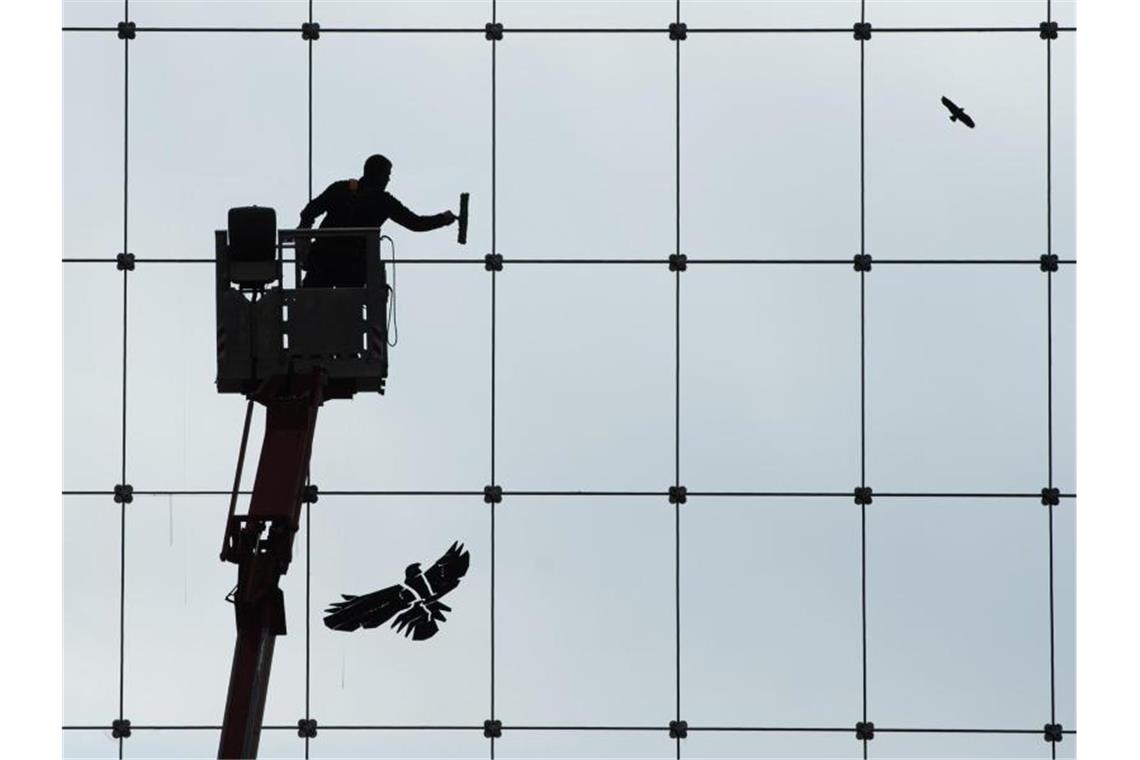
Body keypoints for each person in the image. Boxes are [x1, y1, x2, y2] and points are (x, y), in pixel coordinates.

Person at [298, 154, 456, 287]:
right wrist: (443, 219)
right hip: (351, 270)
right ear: (378, 175)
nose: (388, 180)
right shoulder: (383, 202)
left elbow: (309, 212)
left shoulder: (341, 188)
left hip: (322, 262)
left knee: (308, 310)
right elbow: (416, 223)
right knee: (347, 314)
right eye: (387, 175)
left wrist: (303, 238)